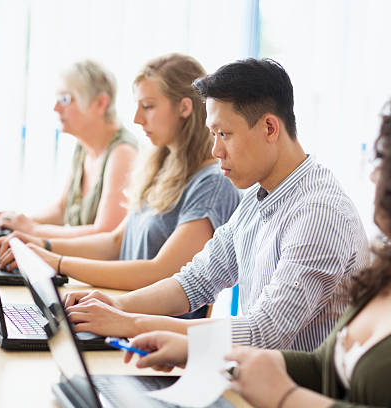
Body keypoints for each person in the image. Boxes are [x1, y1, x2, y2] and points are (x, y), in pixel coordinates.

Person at [125, 83, 391, 408]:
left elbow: (268, 332)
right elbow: (323, 367)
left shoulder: (320, 210)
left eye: (387, 162)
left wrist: (284, 394)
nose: (375, 177)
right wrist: (195, 348)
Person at [61, 58, 369, 349]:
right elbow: (195, 281)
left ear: (270, 128)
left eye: (225, 134)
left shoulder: (319, 213)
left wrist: (131, 324)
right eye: (213, 134)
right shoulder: (257, 198)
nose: (216, 150)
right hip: (249, 382)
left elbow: (263, 332)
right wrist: (114, 306)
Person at [0, 54, 240, 313]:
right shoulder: (161, 166)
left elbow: (162, 271)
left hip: (154, 332)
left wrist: (58, 262)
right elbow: (115, 242)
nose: (137, 118)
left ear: (184, 108)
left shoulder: (212, 185)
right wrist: (40, 246)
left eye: (148, 106)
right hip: (119, 314)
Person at [0, 60, 138, 239]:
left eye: (66, 99)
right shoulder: (84, 147)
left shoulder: (123, 153)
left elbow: (106, 233)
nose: (56, 108)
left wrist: (33, 230)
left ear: (100, 103)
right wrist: (17, 222)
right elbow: (61, 210)